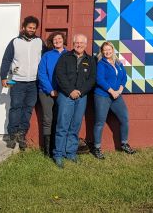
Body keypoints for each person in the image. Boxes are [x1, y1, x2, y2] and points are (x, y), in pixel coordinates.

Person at [0, 15, 44, 151]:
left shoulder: (39, 42)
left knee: (28, 109)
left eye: (34, 28)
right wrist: (4, 77)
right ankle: (12, 135)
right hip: (17, 81)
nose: (31, 30)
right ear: (23, 28)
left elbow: (46, 59)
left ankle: (21, 134)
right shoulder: (15, 42)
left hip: (34, 82)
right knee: (15, 107)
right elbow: (6, 60)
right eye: (29, 27)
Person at [53, 33, 97, 168]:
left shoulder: (90, 60)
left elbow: (92, 79)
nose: (79, 45)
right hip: (66, 96)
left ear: (86, 44)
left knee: (75, 125)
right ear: (73, 44)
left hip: (81, 97)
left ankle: (70, 152)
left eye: (82, 43)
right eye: (77, 43)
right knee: (62, 125)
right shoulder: (64, 57)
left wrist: (80, 92)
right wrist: (70, 91)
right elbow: (59, 75)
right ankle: (58, 154)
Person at [92, 42, 135, 159]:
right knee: (100, 122)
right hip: (103, 96)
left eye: (109, 50)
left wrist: (120, 89)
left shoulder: (118, 63)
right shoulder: (101, 63)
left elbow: (124, 77)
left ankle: (124, 144)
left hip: (117, 96)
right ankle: (96, 148)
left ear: (112, 50)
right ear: (102, 51)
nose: (107, 52)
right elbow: (99, 79)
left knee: (124, 118)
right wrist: (111, 91)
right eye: (105, 50)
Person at [37, 31, 67, 156]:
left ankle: (58, 147)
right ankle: (47, 150)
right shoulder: (47, 56)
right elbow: (42, 74)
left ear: (63, 40)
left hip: (63, 93)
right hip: (46, 92)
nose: (57, 41)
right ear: (52, 42)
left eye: (59, 39)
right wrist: (50, 90)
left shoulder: (69, 54)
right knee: (48, 119)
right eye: (55, 39)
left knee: (60, 119)